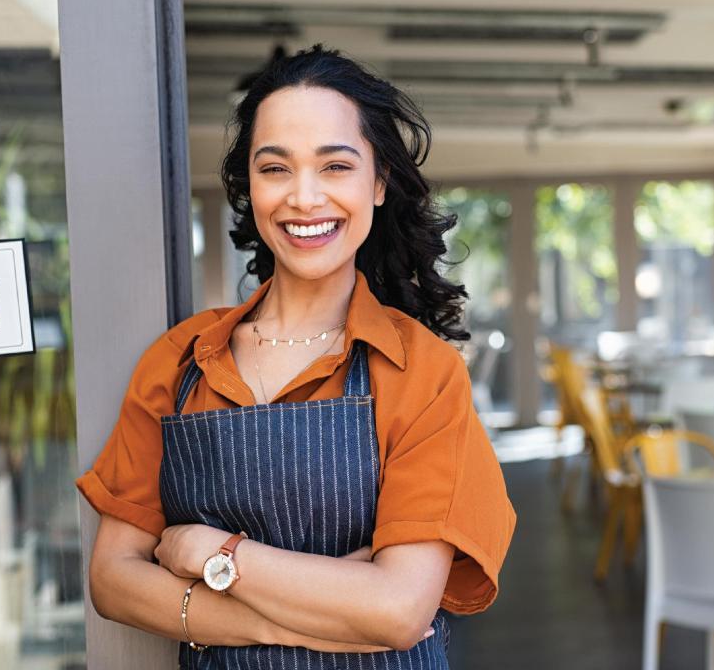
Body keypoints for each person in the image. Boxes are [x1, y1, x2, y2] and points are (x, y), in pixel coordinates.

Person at [77, 46, 516, 668]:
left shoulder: (420, 372)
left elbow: (397, 611)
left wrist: (212, 554)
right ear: (248, 187)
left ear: (379, 182)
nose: (304, 199)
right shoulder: (179, 363)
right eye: (275, 168)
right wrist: (327, 621)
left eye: (335, 166)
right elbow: (113, 581)